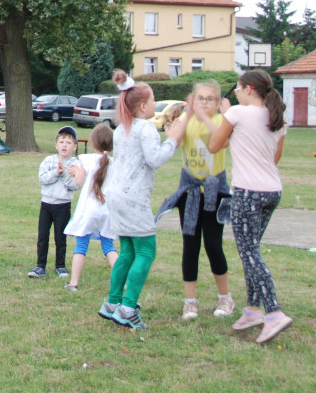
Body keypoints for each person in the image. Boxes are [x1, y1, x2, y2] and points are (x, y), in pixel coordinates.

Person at [198, 70, 291, 344]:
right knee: (252, 251)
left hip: (248, 192)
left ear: (249, 89)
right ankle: (252, 310)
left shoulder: (237, 113)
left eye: (237, 89)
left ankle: (273, 313)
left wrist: (225, 115)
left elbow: (215, 145)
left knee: (249, 252)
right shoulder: (277, 119)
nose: (235, 93)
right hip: (272, 191)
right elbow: (274, 158)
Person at [98, 70, 185, 330]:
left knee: (127, 250)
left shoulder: (122, 128)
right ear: (144, 106)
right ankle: (127, 308)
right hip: (133, 199)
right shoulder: (146, 127)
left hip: (115, 195)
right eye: (154, 100)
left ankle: (112, 304)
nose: (157, 104)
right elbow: (154, 159)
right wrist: (173, 140)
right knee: (146, 251)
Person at [156, 82, 235, 321]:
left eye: (210, 99)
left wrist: (212, 115)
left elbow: (222, 141)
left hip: (215, 192)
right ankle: (189, 302)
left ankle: (225, 297)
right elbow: (174, 140)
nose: (204, 103)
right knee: (190, 246)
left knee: (213, 245)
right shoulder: (187, 121)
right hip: (190, 192)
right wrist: (180, 119)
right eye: (200, 98)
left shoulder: (222, 121)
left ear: (218, 102)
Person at [63, 123, 118, 292]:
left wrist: (74, 173)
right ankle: (122, 282)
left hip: (89, 210)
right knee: (109, 246)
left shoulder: (86, 160)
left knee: (81, 245)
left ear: (93, 143)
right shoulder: (115, 163)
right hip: (107, 211)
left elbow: (79, 182)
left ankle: (73, 282)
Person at [28, 126, 79, 278]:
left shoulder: (75, 164)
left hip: (63, 205)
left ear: (75, 146)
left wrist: (64, 175)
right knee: (42, 236)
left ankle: (60, 265)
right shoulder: (48, 161)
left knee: (60, 237)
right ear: (56, 145)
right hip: (46, 204)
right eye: (62, 141)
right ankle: (40, 265)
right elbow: (43, 179)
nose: (65, 145)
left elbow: (75, 185)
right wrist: (56, 172)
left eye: (69, 142)